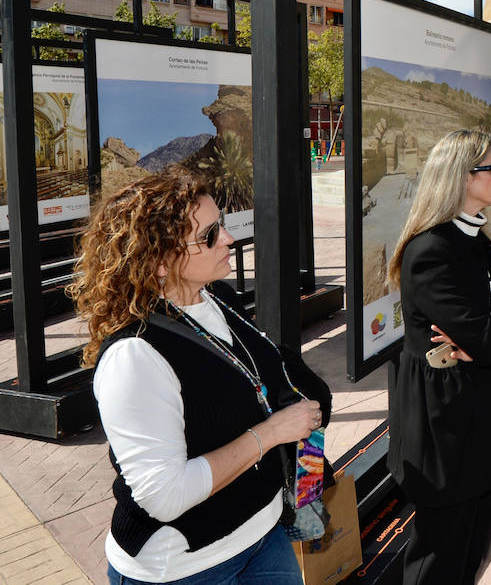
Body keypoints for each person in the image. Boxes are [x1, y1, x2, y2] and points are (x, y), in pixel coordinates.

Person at [68, 169, 331, 585]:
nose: (228, 239)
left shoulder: (214, 298)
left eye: (222, 225)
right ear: (158, 261)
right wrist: (271, 433)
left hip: (262, 535)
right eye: (208, 236)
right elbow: (164, 496)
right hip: (185, 568)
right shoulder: (135, 356)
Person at [387, 130, 491, 585]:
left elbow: (485, 338)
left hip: (477, 410)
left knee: (473, 544)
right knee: (439, 559)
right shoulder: (431, 250)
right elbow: (486, 338)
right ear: (462, 177)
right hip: (442, 426)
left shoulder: (478, 241)